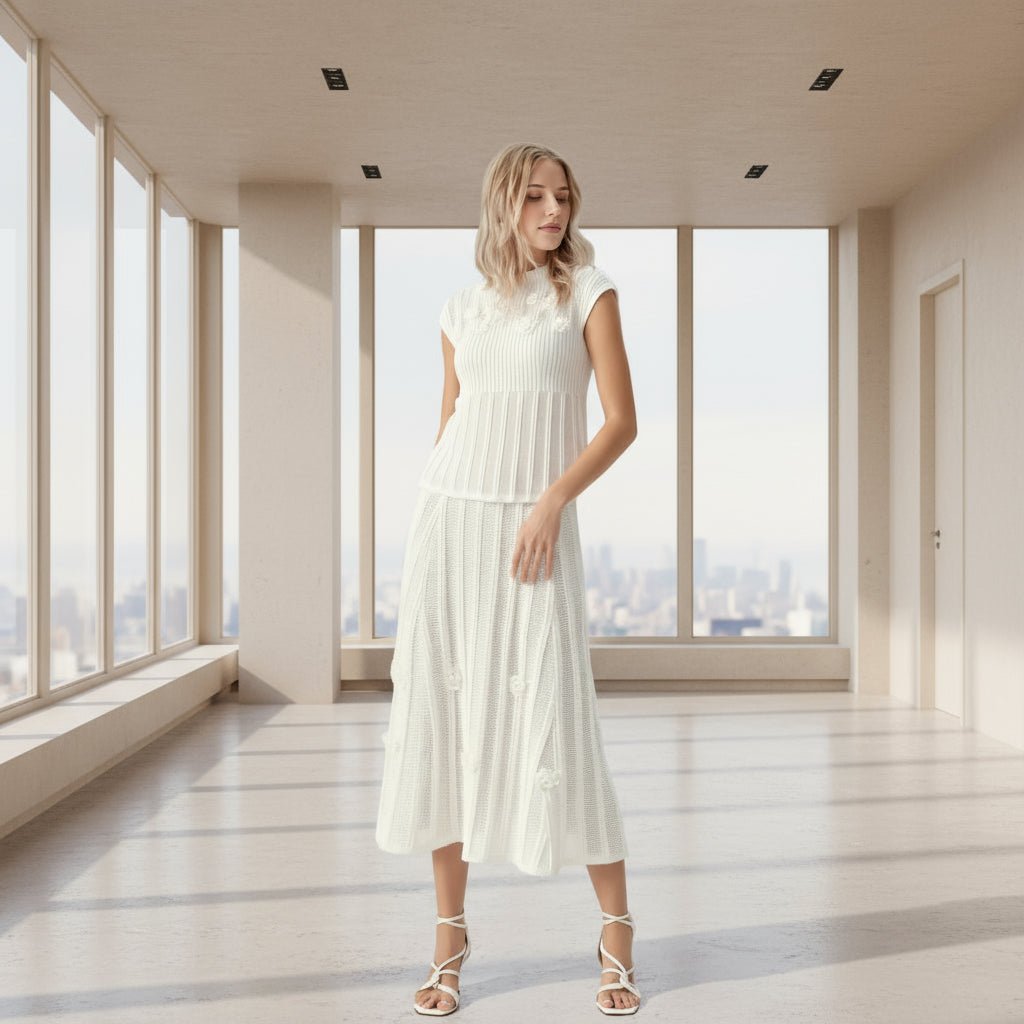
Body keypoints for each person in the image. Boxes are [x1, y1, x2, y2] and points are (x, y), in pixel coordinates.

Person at [375, 143, 642, 1016]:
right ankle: (448, 938)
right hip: (450, 525)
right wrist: (435, 527)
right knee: (446, 728)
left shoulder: (589, 293)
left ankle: (616, 933)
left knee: (560, 725)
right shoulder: (459, 308)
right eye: (534, 198)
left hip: (536, 529)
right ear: (502, 205)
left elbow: (621, 423)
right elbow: (451, 422)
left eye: (563, 196)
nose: (553, 212)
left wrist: (551, 501)